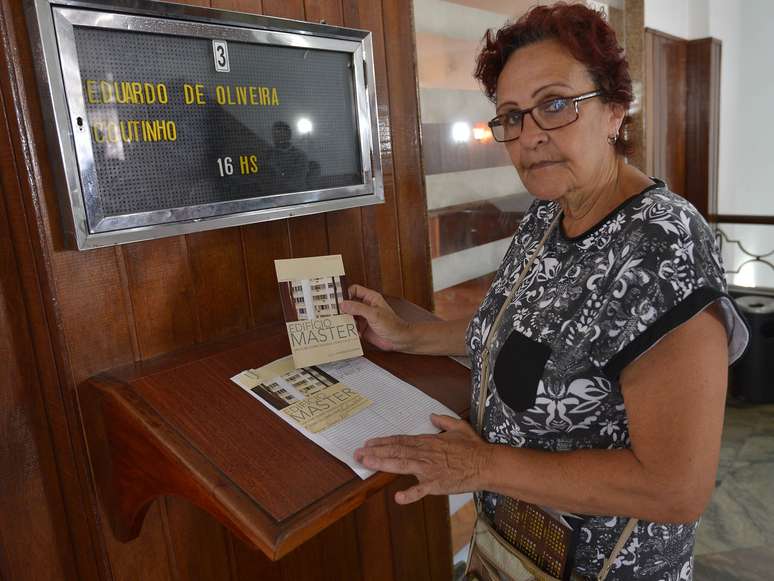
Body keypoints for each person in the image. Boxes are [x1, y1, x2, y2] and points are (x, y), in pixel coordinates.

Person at [344, 3, 749, 579]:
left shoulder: (663, 245)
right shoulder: (547, 216)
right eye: (511, 116)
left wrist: (480, 465)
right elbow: (521, 328)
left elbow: (674, 488)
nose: (529, 136)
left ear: (614, 108)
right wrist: (407, 336)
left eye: (555, 105)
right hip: (512, 549)